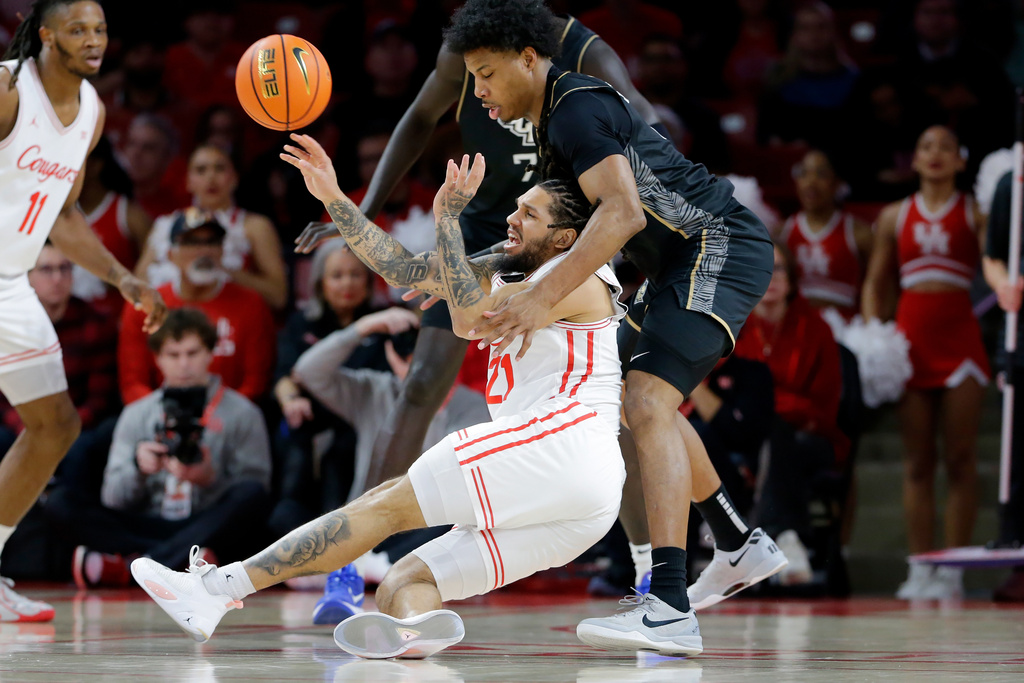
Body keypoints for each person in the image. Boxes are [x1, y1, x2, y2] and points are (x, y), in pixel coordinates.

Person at [132, 139, 637, 658]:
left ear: (566, 239)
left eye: (528, 214)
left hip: (563, 445)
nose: (512, 218)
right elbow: (405, 270)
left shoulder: (576, 276)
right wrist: (333, 197)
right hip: (583, 500)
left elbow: (464, 319)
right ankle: (417, 631)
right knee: (404, 579)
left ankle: (216, 590)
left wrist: (447, 218)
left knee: (384, 505)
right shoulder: (521, 271)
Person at [439, 0, 787, 654]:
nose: (477, 91)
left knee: (646, 399)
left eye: (486, 73)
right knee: (625, 394)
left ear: (529, 58)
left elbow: (623, 214)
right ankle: (737, 543)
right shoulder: (551, 126)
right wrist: (449, 266)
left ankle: (670, 604)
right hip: (674, 260)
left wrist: (544, 301)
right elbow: (558, 238)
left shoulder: (574, 106)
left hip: (715, 243)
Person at [294, 7, 666, 588]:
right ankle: (352, 564)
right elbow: (418, 121)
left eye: (489, 75)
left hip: (560, 240)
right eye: (478, 78)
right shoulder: (462, 56)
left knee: (609, 411)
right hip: (492, 231)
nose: (482, 87)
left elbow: (645, 128)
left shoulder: (583, 54)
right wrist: (354, 207)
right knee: (420, 382)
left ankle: (651, 572)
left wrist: (637, 224)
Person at [0, 0, 166, 622]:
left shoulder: (92, 110)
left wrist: (123, 277)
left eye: (99, 28)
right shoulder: (9, 89)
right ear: (45, 36)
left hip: (11, 280)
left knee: (57, 426)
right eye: (77, 29)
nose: (93, 39)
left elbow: (63, 216)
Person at [291, 303, 490, 624]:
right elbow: (307, 371)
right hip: (372, 516)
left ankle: (356, 566)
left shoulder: (475, 406)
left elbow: (455, 478)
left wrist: (429, 400)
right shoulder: (373, 391)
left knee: (463, 510)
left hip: (429, 524)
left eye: (430, 356)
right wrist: (365, 326)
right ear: (391, 354)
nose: (417, 365)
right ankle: (367, 562)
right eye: (409, 355)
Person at [45, 307, 272, 589]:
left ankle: (135, 567)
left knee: (252, 496)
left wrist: (209, 479)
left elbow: (257, 492)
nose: (184, 365)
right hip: (151, 522)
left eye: (192, 353)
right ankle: (174, 561)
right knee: (60, 503)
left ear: (211, 353)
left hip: (208, 521)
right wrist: (138, 470)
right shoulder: (137, 413)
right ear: (158, 359)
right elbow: (113, 498)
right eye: (173, 355)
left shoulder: (243, 412)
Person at [861, 124, 990, 600]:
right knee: (917, 461)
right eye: (926, 147)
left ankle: (953, 567)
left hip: (961, 340)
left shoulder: (976, 212)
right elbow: (876, 282)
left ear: (961, 160)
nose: (935, 155)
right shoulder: (894, 215)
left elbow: (999, 264)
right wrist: (875, 333)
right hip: (911, 342)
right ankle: (920, 567)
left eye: (946, 148)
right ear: (913, 160)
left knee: (960, 459)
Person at [733, 240, 849, 585]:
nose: (772, 276)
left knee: (779, 434)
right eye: (764, 268)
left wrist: (770, 407)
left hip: (808, 439)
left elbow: (824, 405)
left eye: (780, 268)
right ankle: (788, 540)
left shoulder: (816, 328)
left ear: (793, 278)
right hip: (745, 436)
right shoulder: (733, 326)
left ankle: (764, 539)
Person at [118, 209, 276, 405]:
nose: (204, 251)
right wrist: (162, 419)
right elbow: (133, 383)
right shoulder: (143, 306)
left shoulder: (252, 304)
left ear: (222, 250)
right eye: (192, 242)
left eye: (212, 242)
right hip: (159, 420)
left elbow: (256, 382)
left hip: (231, 422)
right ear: (170, 254)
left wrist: (216, 420)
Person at [134, 142, 289, 311]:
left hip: (232, 320)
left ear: (235, 177)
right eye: (201, 170)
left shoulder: (255, 226)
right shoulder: (166, 225)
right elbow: (137, 287)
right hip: (172, 320)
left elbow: (278, 295)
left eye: (220, 168)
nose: (211, 178)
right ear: (188, 181)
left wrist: (220, 270)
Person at [980, 168, 1024, 602]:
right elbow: (994, 255)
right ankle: (1015, 548)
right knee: (1016, 448)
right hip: (1020, 331)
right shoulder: (1013, 183)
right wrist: (1004, 285)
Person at [779, 149, 874, 321]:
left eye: (821, 174)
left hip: (845, 333)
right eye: (804, 173)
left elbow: (879, 287)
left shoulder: (860, 234)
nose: (810, 182)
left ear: (837, 183)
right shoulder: (781, 233)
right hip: (795, 328)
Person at [73, 133, 153, 320]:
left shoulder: (130, 216)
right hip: (67, 322)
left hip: (115, 321)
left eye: (73, 159)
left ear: (95, 165)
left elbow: (153, 275)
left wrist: (111, 277)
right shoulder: (56, 213)